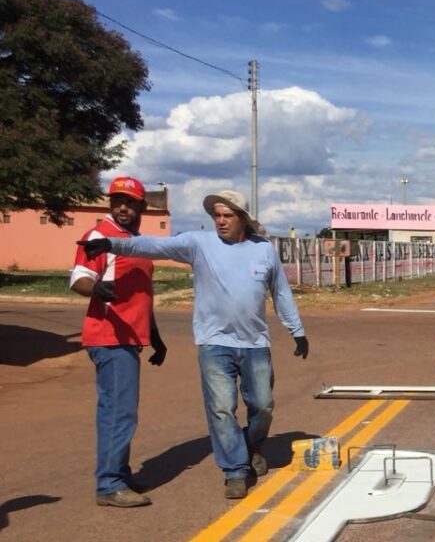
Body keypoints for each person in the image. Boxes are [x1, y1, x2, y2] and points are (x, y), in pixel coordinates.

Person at [79, 190, 309, 500]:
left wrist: (297, 330)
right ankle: (234, 470)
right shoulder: (198, 244)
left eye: (227, 215)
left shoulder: (264, 250)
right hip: (213, 343)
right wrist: (113, 244)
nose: (220, 221)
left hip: (255, 343)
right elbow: (153, 245)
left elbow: (280, 292)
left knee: (263, 405)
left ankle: (252, 443)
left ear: (243, 218)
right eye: (216, 215)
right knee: (221, 409)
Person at [70, 176, 167, 508]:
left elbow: (142, 295)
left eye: (129, 201)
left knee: (122, 410)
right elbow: (80, 278)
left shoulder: (134, 241)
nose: (122, 207)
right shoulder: (100, 235)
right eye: (116, 201)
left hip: (130, 338)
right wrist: (95, 289)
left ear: (141, 205)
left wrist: (154, 336)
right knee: (118, 412)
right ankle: (109, 484)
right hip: (109, 336)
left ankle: (120, 474)